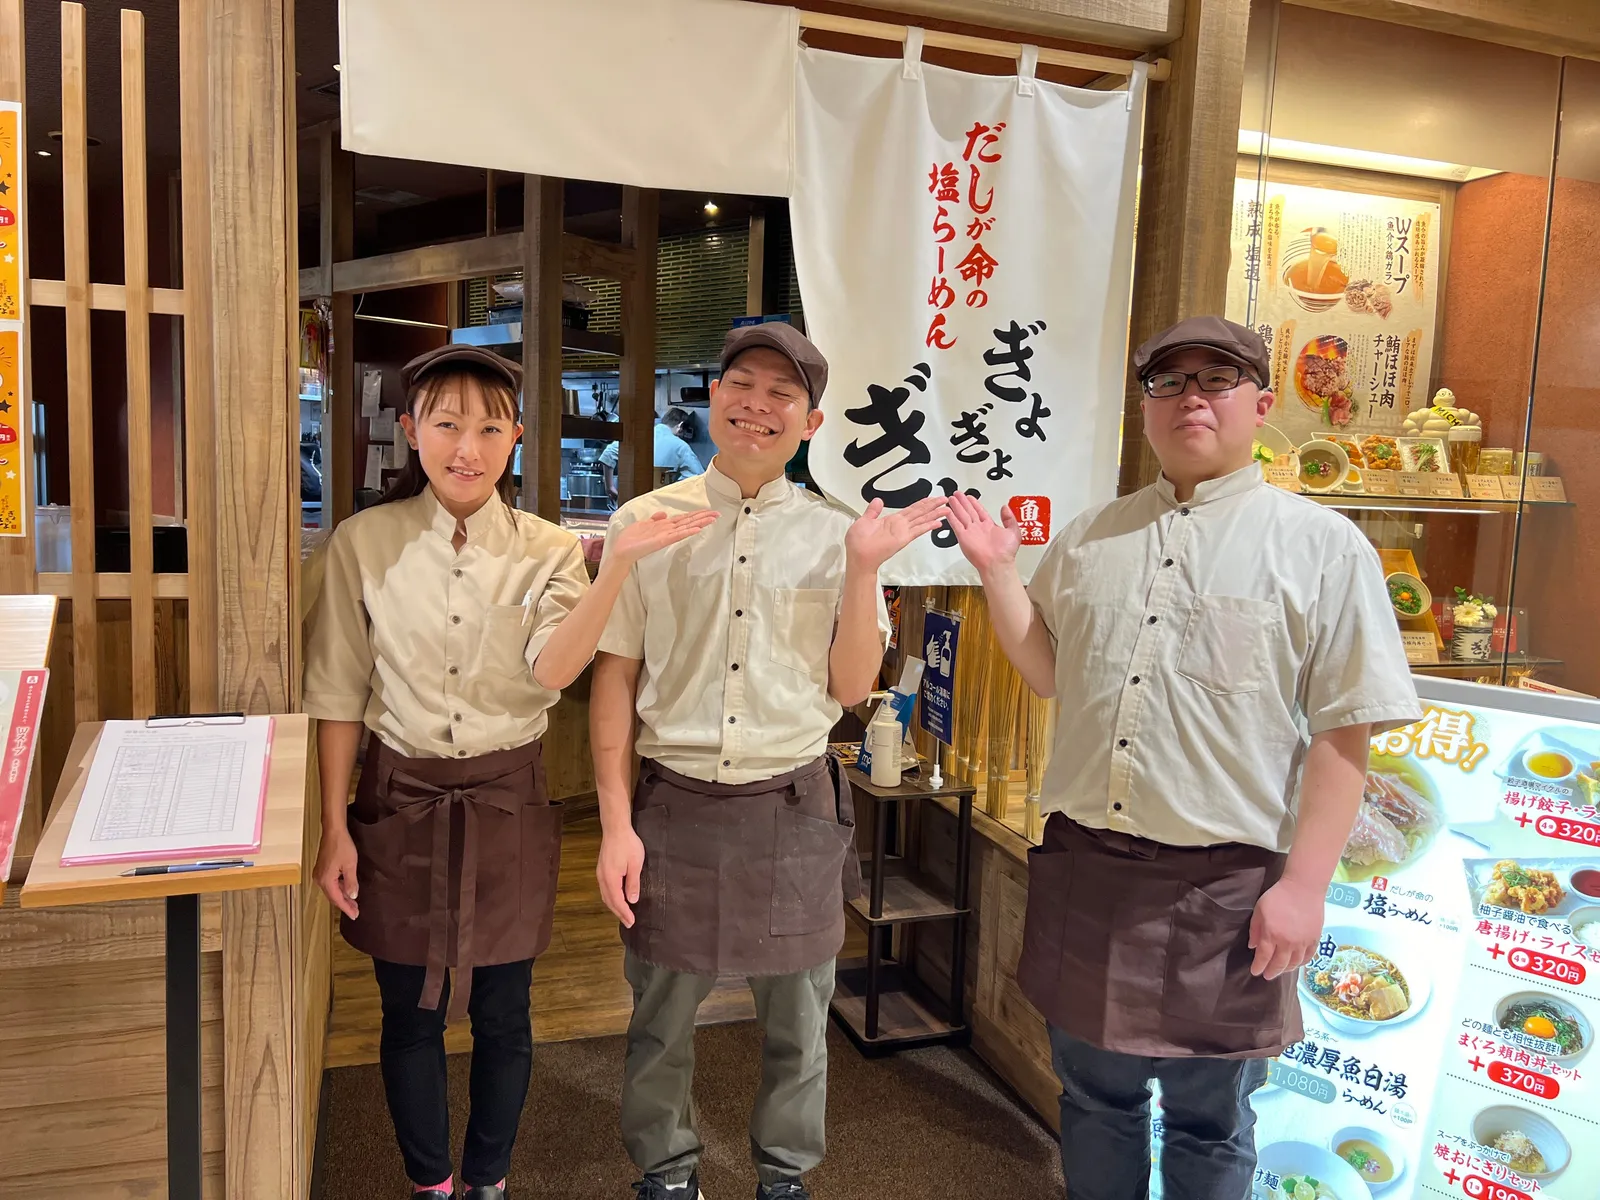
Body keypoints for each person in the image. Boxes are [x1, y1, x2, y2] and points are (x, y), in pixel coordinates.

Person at [947, 316, 1421, 1200]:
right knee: (1092, 1101)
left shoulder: (1323, 547)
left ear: (1261, 405)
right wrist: (998, 572)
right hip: (1089, 871)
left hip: (1229, 890)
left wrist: (1304, 887)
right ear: (1147, 408)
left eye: (1218, 379)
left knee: (1211, 1123)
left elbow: (1344, 731)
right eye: (1170, 383)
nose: (1191, 397)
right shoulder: (1093, 536)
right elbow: (1048, 671)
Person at [304, 344, 716, 1200]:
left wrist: (619, 566)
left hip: (506, 800)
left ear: (517, 438)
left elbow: (554, 670)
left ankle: (488, 1181)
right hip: (397, 798)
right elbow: (338, 690)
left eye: (489, 428)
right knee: (408, 1011)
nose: (468, 448)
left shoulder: (550, 548)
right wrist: (333, 823)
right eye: (448, 424)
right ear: (412, 430)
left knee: (504, 1013)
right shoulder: (361, 543)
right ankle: (432, 1183)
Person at [590, 324, 950, 1200]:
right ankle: (666, 1171)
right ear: (712, 397)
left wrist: (863, 570)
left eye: (781, 394)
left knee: (798, 1015)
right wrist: (611, 825)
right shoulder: (646, 521)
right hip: (672, 801)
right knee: (661, 1013)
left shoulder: (839, 534)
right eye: (741, 385)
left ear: (812, 420)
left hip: (792, 800)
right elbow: (615, 681)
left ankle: (785, 1174)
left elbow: (855, 684)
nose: (757, 405)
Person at [600, 405, 704, 499]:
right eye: (682, 434)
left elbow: (608, 454)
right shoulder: (681, 446)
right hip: (658, 502)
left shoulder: (638, 436)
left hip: (630, 501)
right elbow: (698, 478)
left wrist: (610, 487)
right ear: (680, 426)